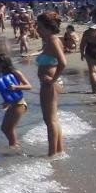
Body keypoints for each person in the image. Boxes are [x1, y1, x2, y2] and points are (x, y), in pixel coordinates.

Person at [34, 11, 66, 156]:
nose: (37, 30)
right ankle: (58, 150)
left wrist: (53, 80)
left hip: (50, 84)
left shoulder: (53, 40)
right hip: (49, 83)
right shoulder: (50, 40)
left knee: (50, 120)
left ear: (48, 27)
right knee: (53, 119)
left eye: (39, 27)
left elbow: (63, 62)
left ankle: (52, 153)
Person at [0, 54, 32, 148]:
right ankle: (14, 146)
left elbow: (29, 86)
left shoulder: (15, 72)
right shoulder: (3, 75)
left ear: (3, 64)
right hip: (13, 104)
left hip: (20, 104)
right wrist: (6, 102)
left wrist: (15, 87)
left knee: (8, 128)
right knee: (5, 128)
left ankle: (14, 147)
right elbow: (8, 92)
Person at [78, 22, 96, 94]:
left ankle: (94, 90)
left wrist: (82, 53)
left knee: (92, 71)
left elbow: (82, 44)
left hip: (90, 51)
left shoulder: (87, 33)